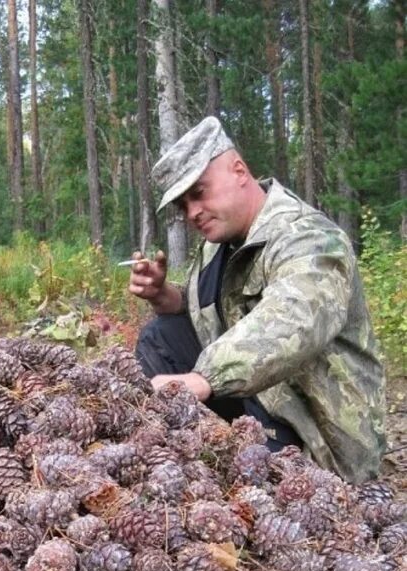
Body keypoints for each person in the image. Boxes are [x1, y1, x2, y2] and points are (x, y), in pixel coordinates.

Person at [130, 116, 385, 484]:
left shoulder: (308, 238)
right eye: (183, 205)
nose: (192, 212)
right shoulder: (217, 247)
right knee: (161, 334)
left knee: (260, 486)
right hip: (257, 403)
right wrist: (165, 296)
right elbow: (214, 314)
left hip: (315, 432)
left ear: (239, 170)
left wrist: (203, 379)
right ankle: (169, 456)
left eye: (199, 192)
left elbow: (293, 318)